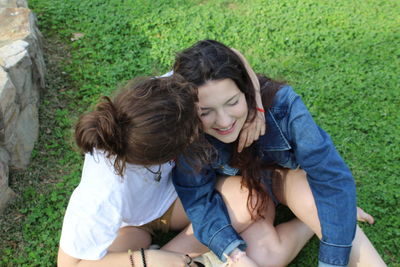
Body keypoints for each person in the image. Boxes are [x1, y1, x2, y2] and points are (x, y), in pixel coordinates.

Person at [57, 75, 313, 267]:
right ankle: (181, 256)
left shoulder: (163, 96)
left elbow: (229, 55)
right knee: (266, 254)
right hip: (129, 230)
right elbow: (68, 265)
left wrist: (257, 107)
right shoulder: (101, 193)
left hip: (177, 201)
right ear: (166, 155)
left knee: (254, 199)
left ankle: (310, 219)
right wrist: (148, 260)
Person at [171, 40, 386, 267]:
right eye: (206, 112)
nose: (224, 121)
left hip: (286, 180)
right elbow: (198, 199)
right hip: (239, 193)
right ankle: (331, 214)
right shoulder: (187, 126)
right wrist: (235, 255)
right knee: (265, 257)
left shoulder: (283, 105)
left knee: (329, 201)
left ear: (246, 91)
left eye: (232, 102)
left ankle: (334, 212)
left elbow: (330, 176)